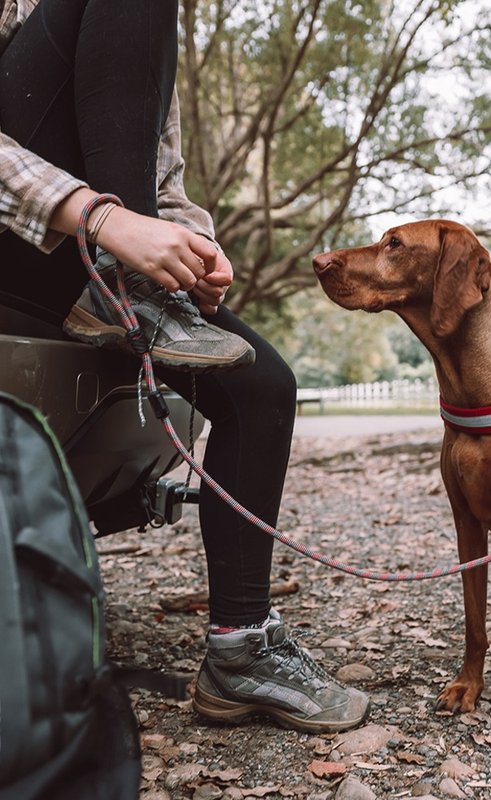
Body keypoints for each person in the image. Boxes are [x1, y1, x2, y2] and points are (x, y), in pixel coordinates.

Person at [0, 0, 369, 733]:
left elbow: (155, 173)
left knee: (262, 387)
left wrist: (190, 248)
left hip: (86, 254)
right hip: (31, 232)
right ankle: (125, 282)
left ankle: (240, 652)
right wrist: (110, 222)